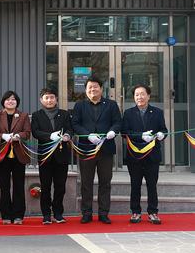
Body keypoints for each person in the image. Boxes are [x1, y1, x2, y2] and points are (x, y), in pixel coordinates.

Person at [72, 76, 122, 224]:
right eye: (89, 87)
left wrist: (113, 131)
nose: (93, 90)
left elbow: (118, 122)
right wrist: (88, 135)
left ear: (101, 89)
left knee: (105, 182)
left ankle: (103, 213)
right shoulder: (79, 105)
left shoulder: (111, 105)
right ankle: (86, 213)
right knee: (86, 182)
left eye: (95, 87)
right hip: (86, 149)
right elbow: (75, 124)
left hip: (106, 149)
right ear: (86, 90)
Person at [121, 84, 168, 225]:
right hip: (134, 155)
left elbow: (164, 130)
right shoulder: (128, 113)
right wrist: (141, 135)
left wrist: (161, 135)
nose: (139, 97)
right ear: (134, 97)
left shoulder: (158, 112)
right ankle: (135, 212)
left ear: (148, 96)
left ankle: (153, 212)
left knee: (152, 185)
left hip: (152, 155)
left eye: (142, 94)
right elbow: (124, 133)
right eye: (136, 94)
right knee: (135, 184)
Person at [31, 88, 73, 224]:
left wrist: (67, 135)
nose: (49, 100)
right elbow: (35, 132)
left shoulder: (64, 114)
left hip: (61, 155)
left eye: (52, 97)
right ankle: (46, 214)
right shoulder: (37, 115)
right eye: (46, 97)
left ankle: (58, 213)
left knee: (60, 186)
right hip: (45, 155)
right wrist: (49, 136)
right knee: (46, 185)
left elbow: (70, 128)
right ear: (41, 100)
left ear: (56, 99)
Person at [0, 91, 31, 224]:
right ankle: (6, 215)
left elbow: (27, 133)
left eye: (13, 99)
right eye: (7, 99)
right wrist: (2, 136)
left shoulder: (23, 116)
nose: (10, 101)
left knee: (19, 185)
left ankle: (18, 215)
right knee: (4, 185)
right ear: (3, 102)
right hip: (2, 155)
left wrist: (19, 136)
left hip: (18, 155)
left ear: (17, 101)